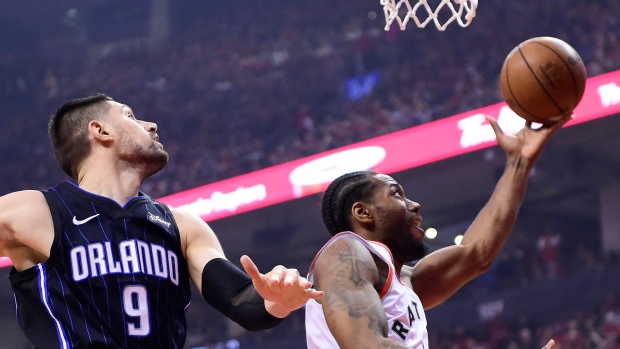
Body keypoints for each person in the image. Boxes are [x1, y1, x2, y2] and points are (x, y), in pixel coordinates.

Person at [0, 94, 323, 348]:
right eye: (130, 116)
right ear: (100, 131)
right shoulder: (38, 210)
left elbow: (240, 301)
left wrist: (278, 301)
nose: (151, 125)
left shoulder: (182, 226)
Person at [305, 114, 572, 349]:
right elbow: (364, 345)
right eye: (396, 194)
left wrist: (519, 162)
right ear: (363, 213)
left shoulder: (405, 282)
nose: (414, 205)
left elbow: (476, 254)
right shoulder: (343, 254)